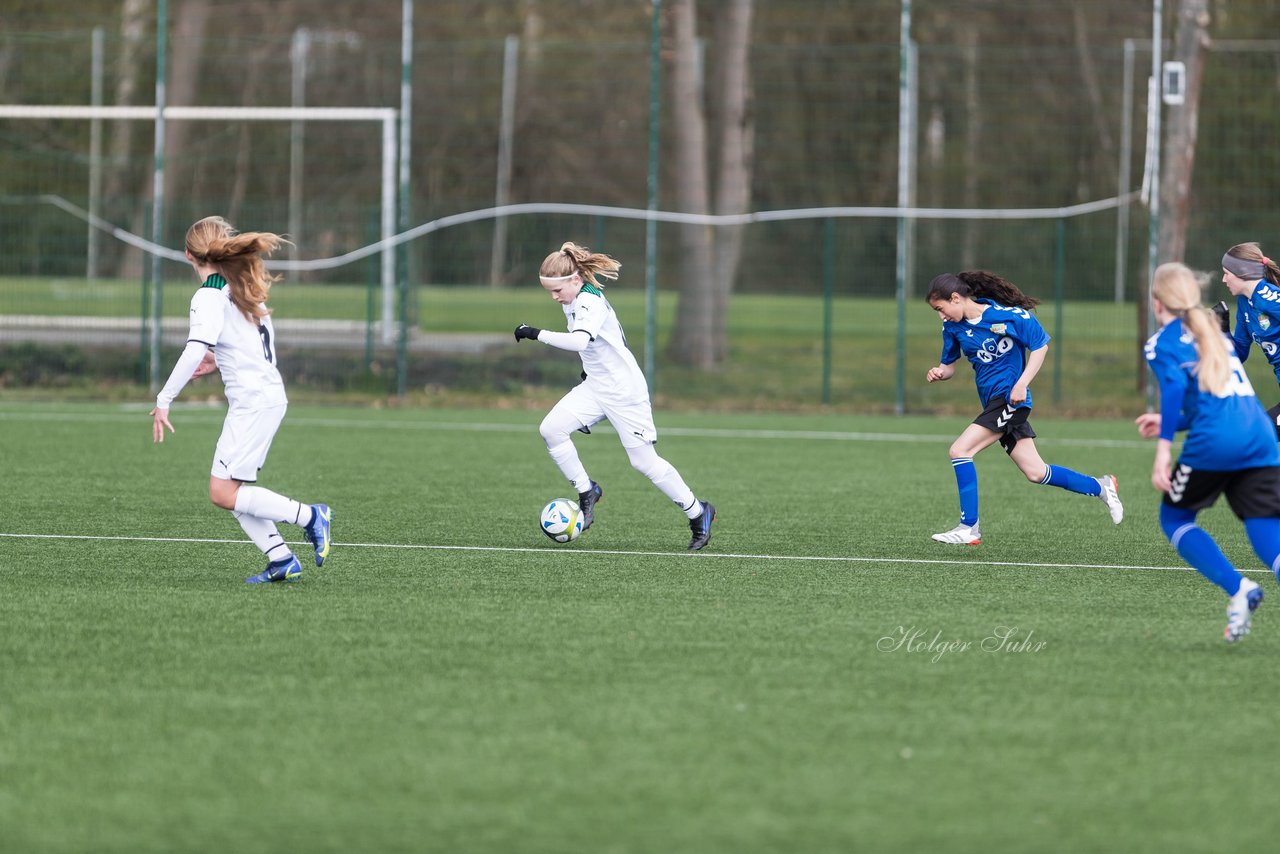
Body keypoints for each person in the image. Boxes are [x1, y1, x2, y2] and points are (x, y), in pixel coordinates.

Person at [150, 215, 331, 584]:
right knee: (229, 488)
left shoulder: (209, 296)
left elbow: (192, 350)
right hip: (262, 397)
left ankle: (311, 517)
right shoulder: (241, 288)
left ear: (188, 255)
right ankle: (281, 559)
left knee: (222, 491)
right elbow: (251, 349)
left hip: (254, 402)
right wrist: (219, 362)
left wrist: (164, 398)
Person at [512, 241, 716, 550]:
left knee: (643, 463)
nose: (555, 298)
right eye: (549, 292)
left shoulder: (588, 302)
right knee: (551, 430)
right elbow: (602, 345)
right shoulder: (575, 298)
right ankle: (587, 491)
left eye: (557, 291)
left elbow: (581, 341)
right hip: (596, 386)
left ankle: (698, 512)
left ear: (575, 280)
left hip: (624, 391)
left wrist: (535, 333)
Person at [1136, 260, 1280, 642]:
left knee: (1176, 518)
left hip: (1217, 441)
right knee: (1262, 520)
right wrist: (1173, 422)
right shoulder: (1214, 334)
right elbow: (1219, 397)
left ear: (1157, 302)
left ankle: (1240, 589)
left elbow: (1172, 394)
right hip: (1259, 434)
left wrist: (1163, 451)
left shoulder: (1162, 342)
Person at [924, 271, 1123, 544]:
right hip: (993, 403)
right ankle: (1101, 486)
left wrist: (1022, 383)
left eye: (940, 308)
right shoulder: (953, 328)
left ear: (956, 298)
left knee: (960, 451)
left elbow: (1040, 346)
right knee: (1036, 472)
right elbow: (949, 367)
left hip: (1011, 401)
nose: (941, 316)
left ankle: (969, 527)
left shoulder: (1011, 316)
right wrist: (939, 372)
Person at [1220, 242, 1280, 439]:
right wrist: (1222, 331)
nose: (1223, 279)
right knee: (1253, 438)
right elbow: (1239, 354)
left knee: (1255, 438)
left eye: (1227, 273)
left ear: (1242, 272)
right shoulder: (1245, 303)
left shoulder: (1269, 298)